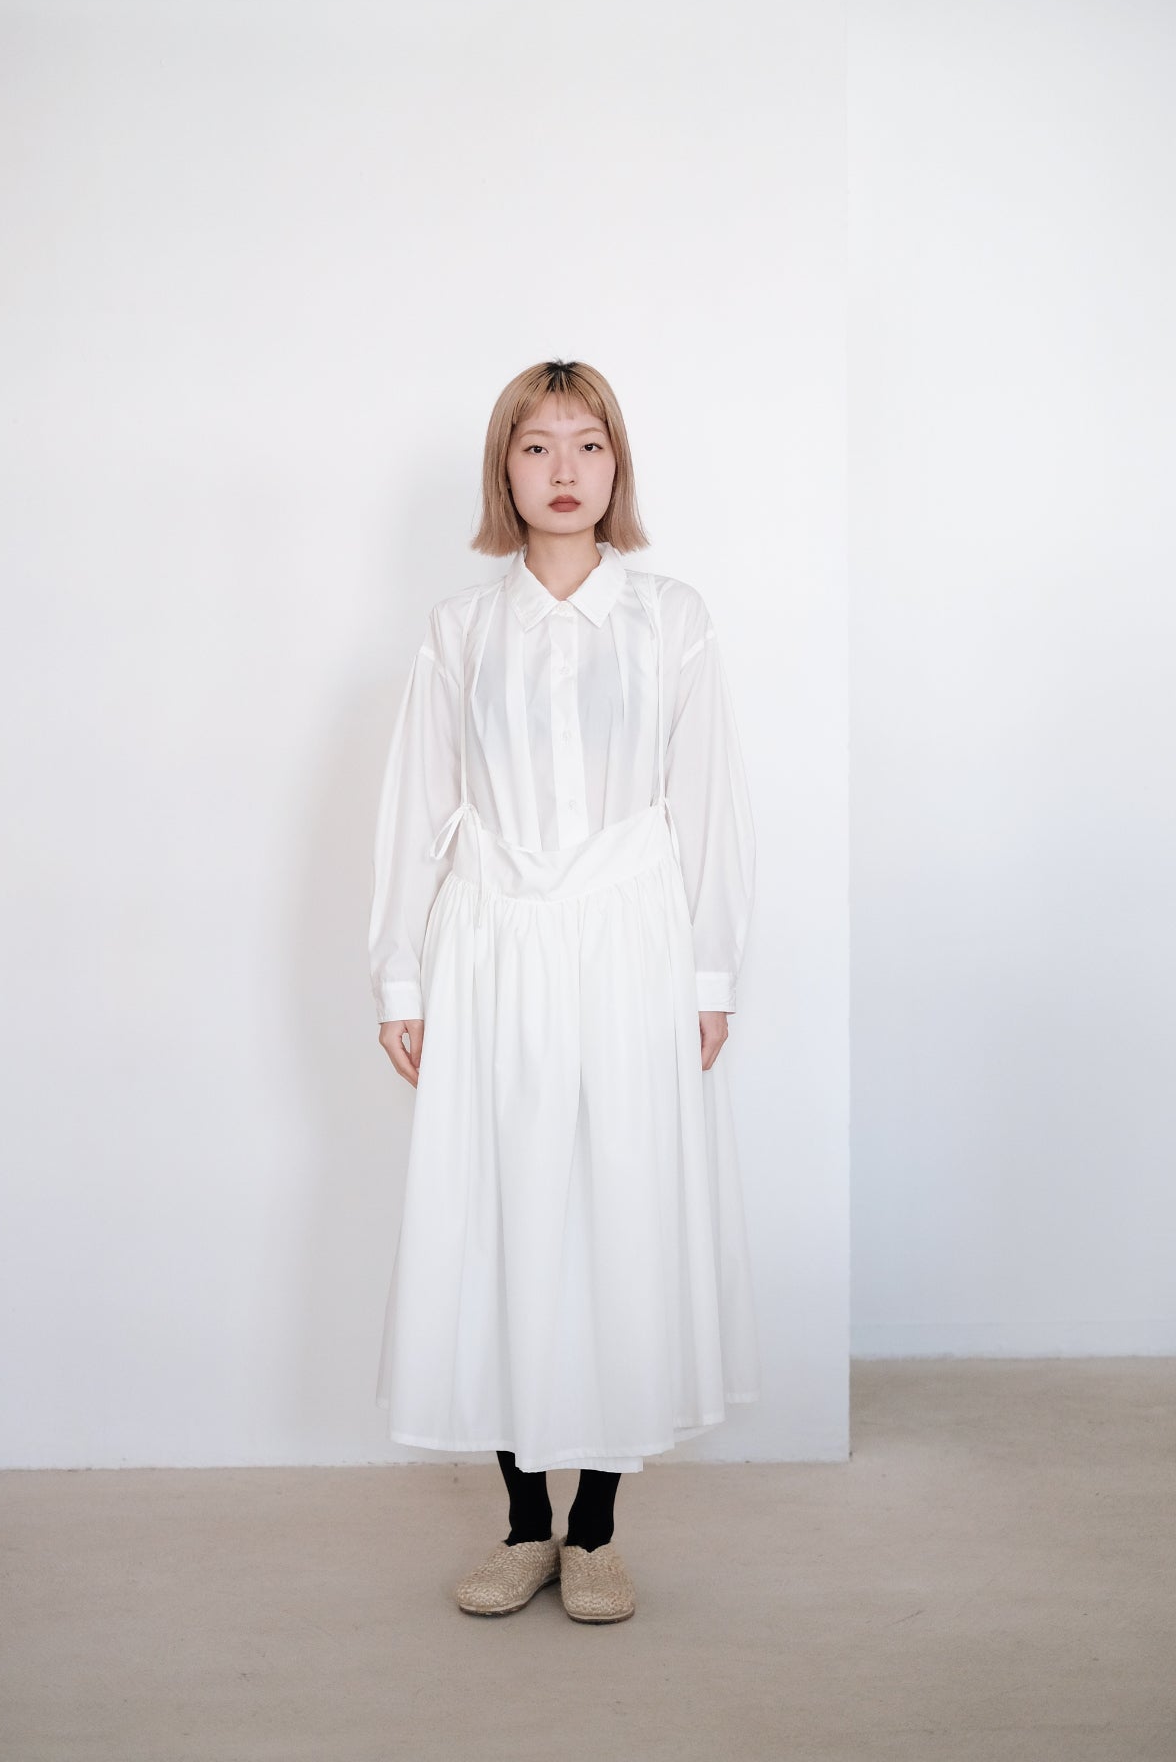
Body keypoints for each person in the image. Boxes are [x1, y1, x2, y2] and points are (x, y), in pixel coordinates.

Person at [368, 359, 760, 1623]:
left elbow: (707, 806)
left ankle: (594, 1530)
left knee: (615, 1214)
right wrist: (398, 976)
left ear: (615, 465)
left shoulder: (670, 620)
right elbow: (416, 810)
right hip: (491, 947)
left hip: (630, 947)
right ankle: (521, 1524)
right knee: (501, 1215)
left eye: (586, 444)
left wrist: (708, 974)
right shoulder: (459, 629)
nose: (563, 471)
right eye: (535, 447)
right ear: (504, 469)